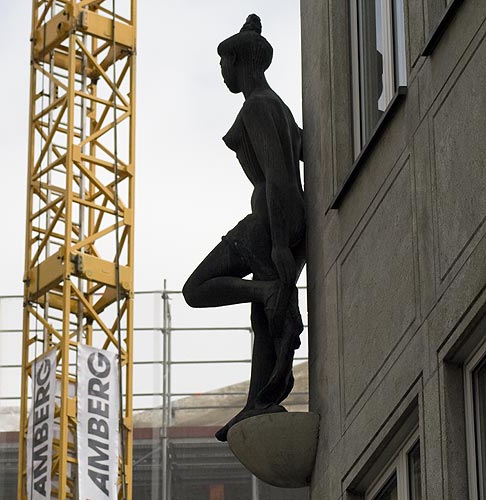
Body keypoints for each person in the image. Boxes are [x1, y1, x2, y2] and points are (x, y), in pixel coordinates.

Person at [182, 14, 306, 442]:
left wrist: (277, 244)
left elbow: (276, 174)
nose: (221, 72)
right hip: (288, 220)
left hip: (271, 220)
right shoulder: (279, 107)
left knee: (196, 288)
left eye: (224, 63)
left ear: (239, 61)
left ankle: (268, 293)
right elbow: (302, 152)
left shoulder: (256, 106)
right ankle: (259, 401)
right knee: (264, 322)